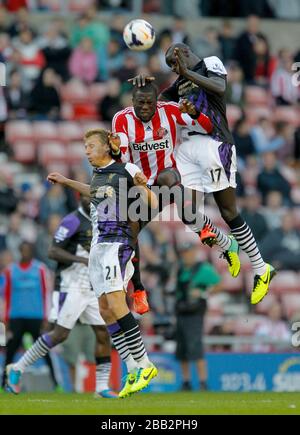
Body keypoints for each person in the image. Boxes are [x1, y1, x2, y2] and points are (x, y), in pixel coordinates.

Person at [130, 43, 275, 305]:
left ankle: (261, 268)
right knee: (186, 209)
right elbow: (156, 101)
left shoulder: (209, 63)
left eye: (173, 63)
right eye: (172, 68)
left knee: (228, 211)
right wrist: (142, 86)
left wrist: (186, 71)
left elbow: (220, 88)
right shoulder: (180, 82)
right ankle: (225, 244)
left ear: (182, 52)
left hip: (214, 142)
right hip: (188, 148)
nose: (174, 70)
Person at [44, 128, 159, 398]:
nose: (86, 150)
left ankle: (144, 363)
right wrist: (66, 181)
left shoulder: (126, 168)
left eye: (91, 145)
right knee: (105, 309)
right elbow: (94, 191)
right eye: (85, 146)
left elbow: (152, 203)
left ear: (107, 146)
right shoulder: (98, 175)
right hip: (98, 245)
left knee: (117, 304)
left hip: (116, 243)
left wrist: (143, 186)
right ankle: (132, 367)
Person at [110, 82, 241, 281]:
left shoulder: (170, 110)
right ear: (132, 101)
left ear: (157, 102)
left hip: (169, 179)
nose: (145, 107)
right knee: (130, 232)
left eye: (149, 103)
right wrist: (117, 151)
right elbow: (124, 159)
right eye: (140, 102)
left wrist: (195, 113)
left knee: (172, 187)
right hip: (142, 187)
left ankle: (204, 228)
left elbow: (208, 127)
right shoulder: (121, 119)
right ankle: (137, 288)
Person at [6, 197, 117, 398]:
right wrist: (81, 259)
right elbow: (53, 251)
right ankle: (17, 368)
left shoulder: (100, 218)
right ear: (79, 198)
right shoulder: (72, 220)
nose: (90, 199)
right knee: (59, 334)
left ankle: (101, 387)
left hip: (91, 286)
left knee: (103, 332)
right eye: (85, 195)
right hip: (71, 284)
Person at [1, 242, 59, 391]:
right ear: (20, 251)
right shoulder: (10, 271)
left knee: (43, 350)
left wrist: (47, 317)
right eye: (23, 250)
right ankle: (3, 383)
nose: (26, 253)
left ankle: (56, 384)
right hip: (16, 317)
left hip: (36, 317)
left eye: (28, 250)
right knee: (11, 351)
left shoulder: (40, 269)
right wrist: (5, 319)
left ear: (32, 252)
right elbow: (6, 296)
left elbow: (47, 293)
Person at [175, 242, 223, 391]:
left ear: (194, 253)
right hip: (181, 312)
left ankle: (203, 382)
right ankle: (186, 381)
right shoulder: (180, 269)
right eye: (183, 253)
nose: (185, 256)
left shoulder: (203, 269)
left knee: (196, 347)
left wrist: (203, 293)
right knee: (182, 349)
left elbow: (219, 285)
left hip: (195, 314)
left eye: (188, 252)